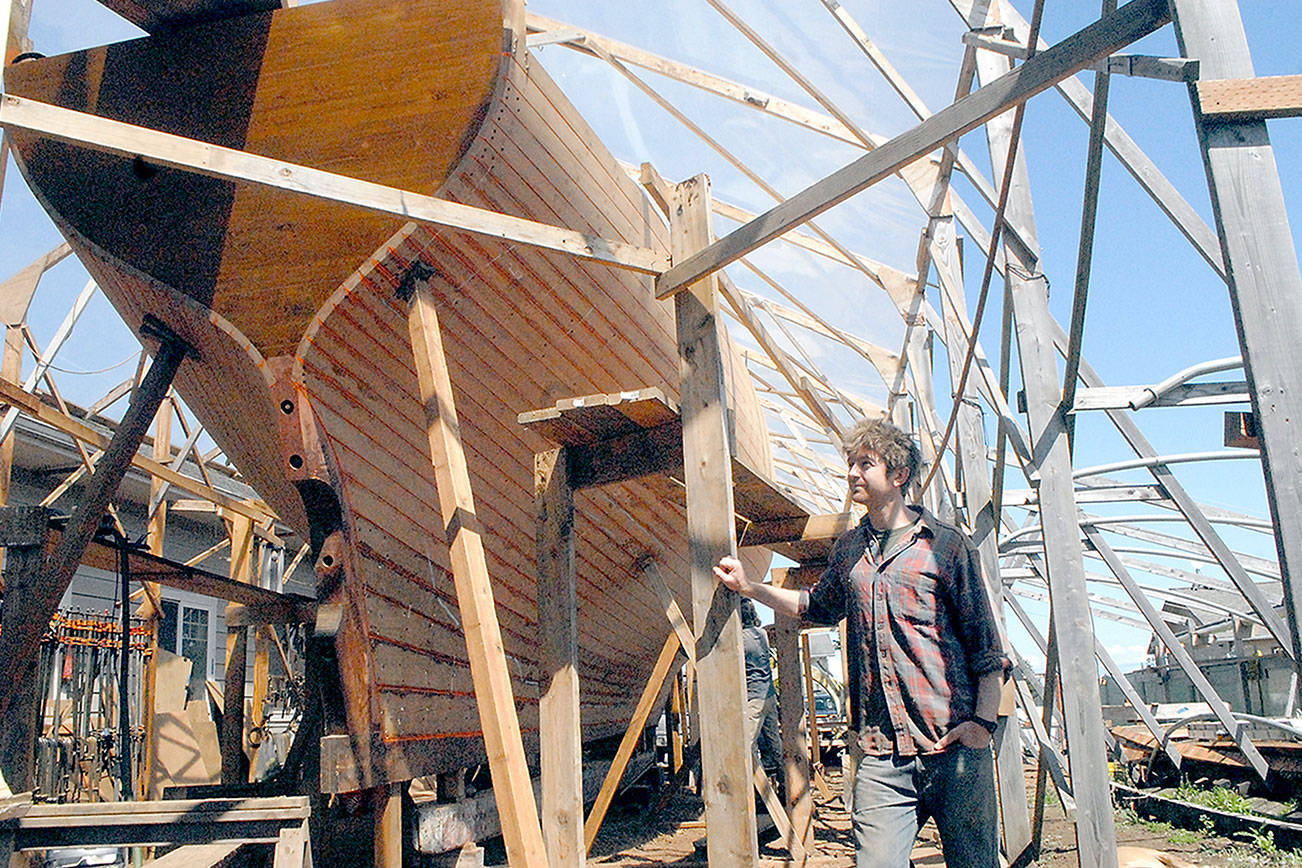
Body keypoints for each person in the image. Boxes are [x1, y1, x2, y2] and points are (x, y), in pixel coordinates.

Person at [714, 417, 1007, 868]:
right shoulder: (850, 549)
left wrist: (981, 726)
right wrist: (751, 587)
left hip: (952, 750)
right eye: (850, 462)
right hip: (881, 755)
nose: (852, 472)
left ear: (898, 475)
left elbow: (986, 648)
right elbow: (816, 606)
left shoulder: (946, 547)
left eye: (864, 463)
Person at [740, 598, 782, 783]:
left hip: (753, 698)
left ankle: (754, 791)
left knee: (745, 747)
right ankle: (786, 787)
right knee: (775, 745)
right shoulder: (761, 634)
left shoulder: (739, 638)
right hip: (769, 696)